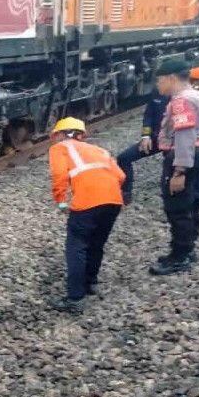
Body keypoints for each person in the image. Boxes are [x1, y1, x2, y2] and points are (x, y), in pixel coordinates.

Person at [48, 117, 125, 313]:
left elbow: (59, 175)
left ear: (60, 134)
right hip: (113, 201)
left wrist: (61, 201)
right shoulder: (100, 150)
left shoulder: (60, 148)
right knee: (96, 243)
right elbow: (121, 176)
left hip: (87, 203)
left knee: (76, 247)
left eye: (55, 136)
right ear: (81, 135)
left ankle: (75, 298)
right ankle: (90, 282)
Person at [149, 60, 199, 276]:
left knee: (177, 208)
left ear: (171, 78)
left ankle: (180, 256)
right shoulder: (198, 95)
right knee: (191, 204)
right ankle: (186, 249)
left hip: (183, 157)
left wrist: (179, 171)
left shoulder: (181, 101)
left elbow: (185, 136)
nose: (158, 85)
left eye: (159, 80)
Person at [116, 93, 169, 204]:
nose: (158, 83)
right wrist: (146, 136)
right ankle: (126, 193)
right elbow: (148, 115)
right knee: (123, 158)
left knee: (169, 167)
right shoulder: (158, 93)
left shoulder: (184, 96)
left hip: (174, 141)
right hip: (155, 138)